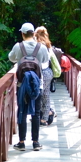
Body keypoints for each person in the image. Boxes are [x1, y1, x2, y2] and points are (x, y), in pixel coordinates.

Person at [8, 22, 50, 151]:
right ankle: (36, 142)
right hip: (38, 85)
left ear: (22, 33)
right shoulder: (41, 47)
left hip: (22, 85)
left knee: (22, 112)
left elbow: (11, 58)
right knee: (36, 113)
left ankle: (21, 142)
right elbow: (44, 61)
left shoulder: (18, 46)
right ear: (33, 33)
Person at [34, 26, 60, 126]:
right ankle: (45, 116)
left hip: (42, 73)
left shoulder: (40, 46)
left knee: (40, 94)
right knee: (45, 95)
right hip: (48, 72)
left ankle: (45, 115)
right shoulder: (48, 45)